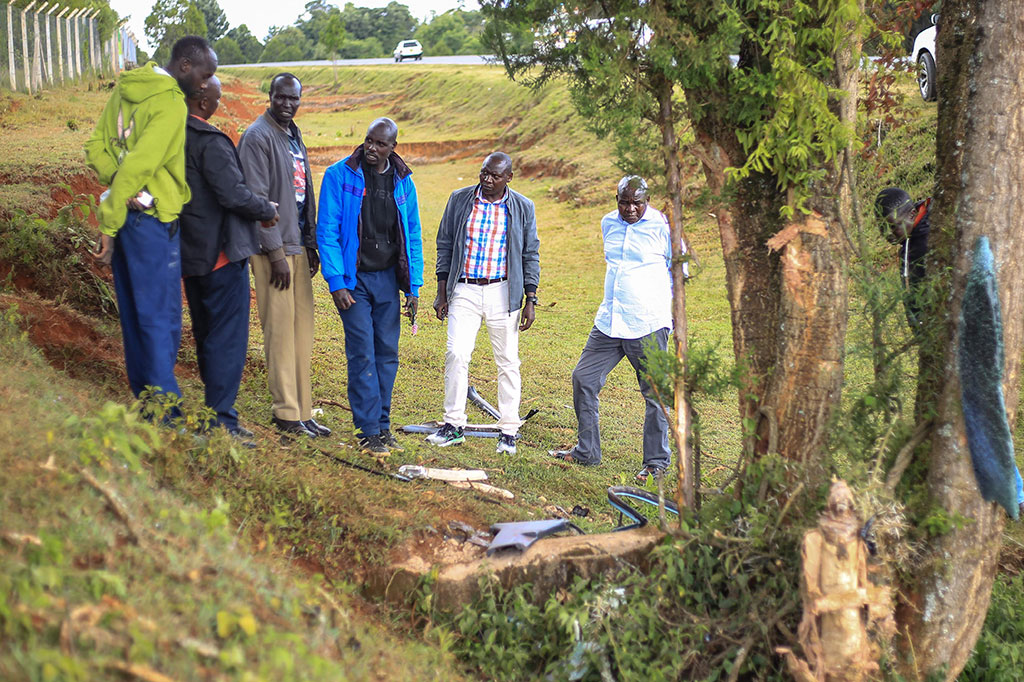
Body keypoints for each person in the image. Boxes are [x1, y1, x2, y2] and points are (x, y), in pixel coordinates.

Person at [84, 36, 218, 417]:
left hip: (129, 217)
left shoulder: (125, 88)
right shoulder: (172, 103)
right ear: (185, 66)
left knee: (134, 314)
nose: (206, 85)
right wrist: (115, 212)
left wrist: (120, 185)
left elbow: (97, 146)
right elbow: (141, 164)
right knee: (161, 317)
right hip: (152, 223)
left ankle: (146, 402)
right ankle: (165, 412)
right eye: (205, 75)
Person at [876, 187, 1024, 515]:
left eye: (892, 222)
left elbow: (926, 295)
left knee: (979, 411)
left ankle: (1015, 491)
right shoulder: (926, 227)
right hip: (956, 337)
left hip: (957, 344)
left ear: (904, 214)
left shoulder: (921, 242)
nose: (891, 230)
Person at [550, 176, 685, 482]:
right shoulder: (608, 223)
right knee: (583, 378)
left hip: (647, 323)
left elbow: (681, 270)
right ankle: (587, 451)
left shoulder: (663, 227)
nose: (630, 209)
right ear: (617, 201)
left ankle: (656, 462)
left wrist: (671, 315)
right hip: (610, 321)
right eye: (624, 202)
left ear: (646, 201)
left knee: (655, 394)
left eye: (637, 203)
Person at [179, 75, 279, 440]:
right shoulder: (210, 141)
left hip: (190, 254)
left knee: (207, 336)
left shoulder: (172, 136)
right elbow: (234, 194)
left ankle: (214, 411)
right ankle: (221, 420)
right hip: (221, 256)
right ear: (204, 100)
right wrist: (265, 208)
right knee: (227, 341)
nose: (221, 102)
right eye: (219, 97)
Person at [317, 117, 423, 455]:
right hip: (353, 280)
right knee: (362, 351)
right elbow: (327, 231)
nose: (371, 148)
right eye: (368, 140)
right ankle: (367, 430)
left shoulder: (403, 182)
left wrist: (413, 287)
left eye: (380, 144)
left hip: (388, 280)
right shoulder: (339, 175)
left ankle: (383, 424)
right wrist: (336, 281)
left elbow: (414, 236)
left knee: (387, 353)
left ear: (393, 148)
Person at [427, 152, 540, 455]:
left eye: (495, 175)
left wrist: (531, 299)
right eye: (484, 173)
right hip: (463, 288)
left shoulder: (522, 207)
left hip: (503, 292)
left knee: (507, 361)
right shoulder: (460, 199)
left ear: (508, 178)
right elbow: (445, 243)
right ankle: (453, 425)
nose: (488, 180)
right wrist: (441, 291)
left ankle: (508, 430)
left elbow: (530, 253)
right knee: (456, 354)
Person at [238, 73, 328, 439]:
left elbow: (303, 191)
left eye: (294, 98)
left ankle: (303, 410)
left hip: (298, 247)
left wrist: (310, 244)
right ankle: (285, 412)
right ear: (270, 96)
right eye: (281, 97)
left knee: (301, 332)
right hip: (272, 250)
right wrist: (275, 252)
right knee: (279, 333)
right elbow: (256, 199)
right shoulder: (257, 137)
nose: (287, 104)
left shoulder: (294, 134)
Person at [875, 187, 931, 326]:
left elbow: (913, 298)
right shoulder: (926, 221)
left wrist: (920, 330)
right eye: (883, 228)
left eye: (893, 226)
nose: (888, 234)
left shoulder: (918, 249)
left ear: (912, 215)